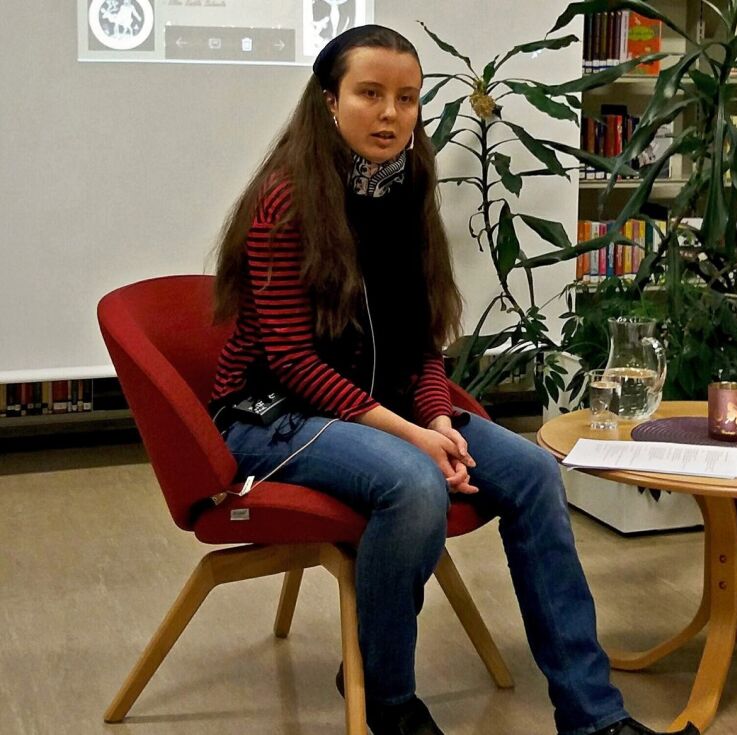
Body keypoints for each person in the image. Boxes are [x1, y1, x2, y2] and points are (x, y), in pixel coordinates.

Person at [209, 24, 698, 735]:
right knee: (413, 481)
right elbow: (291, 361)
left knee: (531, 469)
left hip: (383, 410)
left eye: (406, 99)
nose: (390, 114)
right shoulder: (285, 201)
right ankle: (387, 697)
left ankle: (594, 718)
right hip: (271, 414)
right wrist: (412, 436)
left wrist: (436, 419)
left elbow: (422, 346)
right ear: (327, 102)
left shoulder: (405, 190)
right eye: (369, 94)